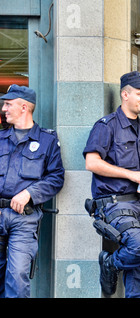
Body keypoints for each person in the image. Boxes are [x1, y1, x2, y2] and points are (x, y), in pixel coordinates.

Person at [83, 71, 140, 298]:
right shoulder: (107, 126)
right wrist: (130, 175)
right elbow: (92, 163)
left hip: (138, 205)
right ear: (125, 95)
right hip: (114, 204)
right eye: (139, 94)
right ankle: (111, 264)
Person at [0, 85, 65, 297]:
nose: (4, 109)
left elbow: (56, 178)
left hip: (24, 220)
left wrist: (29, 193)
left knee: (18, 276)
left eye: (9, 104)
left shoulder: (47, 141)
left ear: (24, 107)